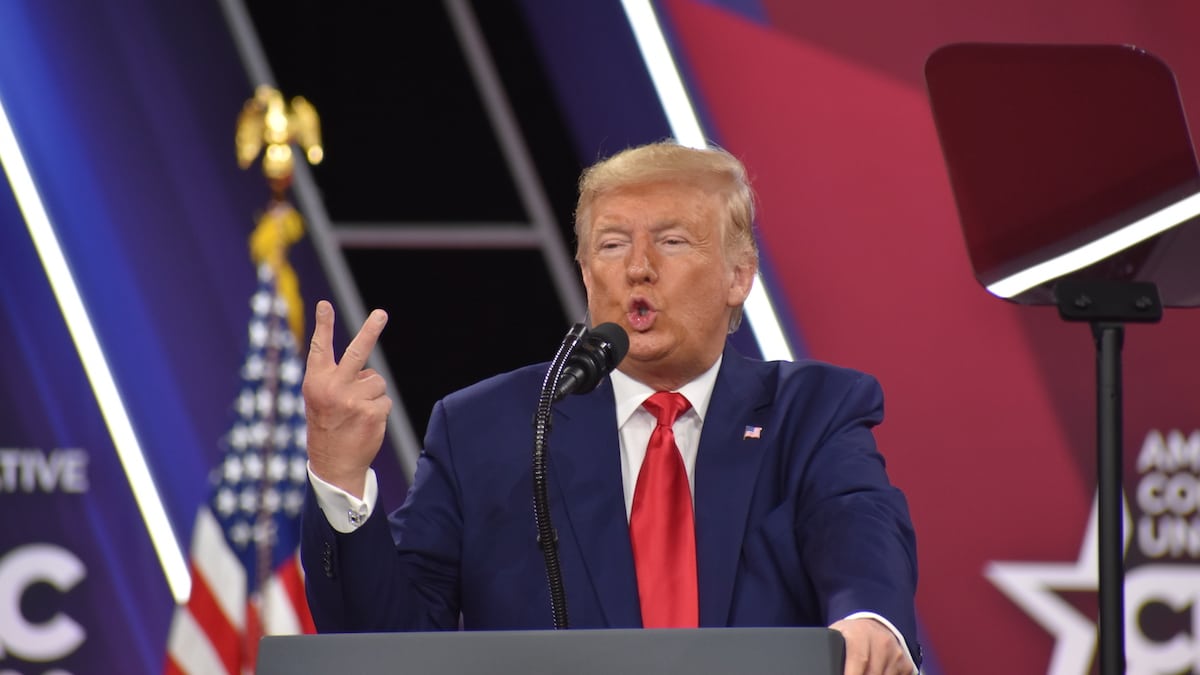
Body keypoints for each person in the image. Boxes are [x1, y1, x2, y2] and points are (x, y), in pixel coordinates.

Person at [301, 141, 921, 675]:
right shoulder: (487, 429)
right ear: (584, 271)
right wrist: (339, 478)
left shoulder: (810, 414)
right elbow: (388, 644)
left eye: (672, 241)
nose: (638, 269)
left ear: (740, 276)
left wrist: (870, 618)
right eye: (612, 244)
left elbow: (858, 527)